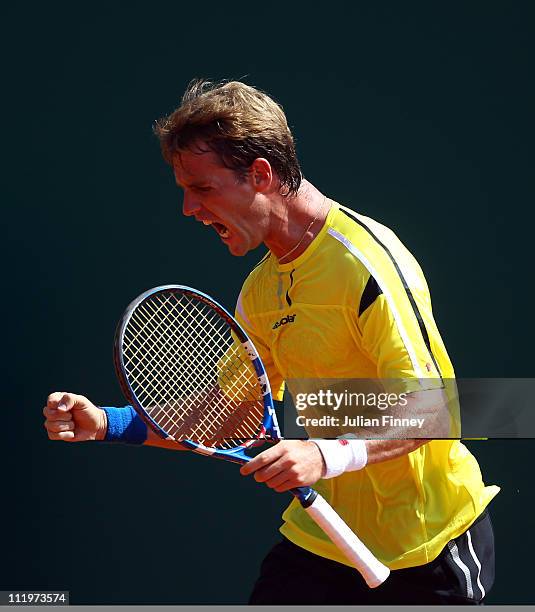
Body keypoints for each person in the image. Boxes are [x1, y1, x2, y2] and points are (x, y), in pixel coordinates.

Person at [43, 79, 499, 605]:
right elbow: (225, 415)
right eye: (184, 190)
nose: (188, 208)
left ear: (261, 174)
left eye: (203, 188)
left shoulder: (366, 267)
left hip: (428, 546)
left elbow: (437, 411)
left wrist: (325, 455)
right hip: (323, 543)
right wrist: (107, 423)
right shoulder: (259, 293)